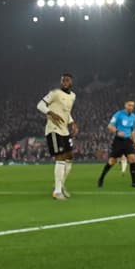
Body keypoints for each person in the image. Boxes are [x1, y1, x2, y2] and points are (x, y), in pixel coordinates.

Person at [37, 72, 78, 200]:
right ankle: (57, 191)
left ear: (71, 82)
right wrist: (50, 113)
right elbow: (40, 105)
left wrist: (72, 122)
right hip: (53, 129)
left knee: (69, 158)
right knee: (60, 157)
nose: (65, 82)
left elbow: (66, 112)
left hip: (64, 130)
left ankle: (60, 184)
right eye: (63, 80)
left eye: (67, 80)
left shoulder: (72, 96)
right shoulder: (55, 93)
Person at [98, 100, 135, 188]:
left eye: (132, 106)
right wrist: (117, 132)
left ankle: (134, 182)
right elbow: (110, 126)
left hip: (128, 141)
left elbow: (132, 130)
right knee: (112, 161)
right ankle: (101, 178)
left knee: (132, 159)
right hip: (118, 141)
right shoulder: (118, 114)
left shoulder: (133, 116)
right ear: (125, 105)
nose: (131, 107)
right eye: (129, 105)